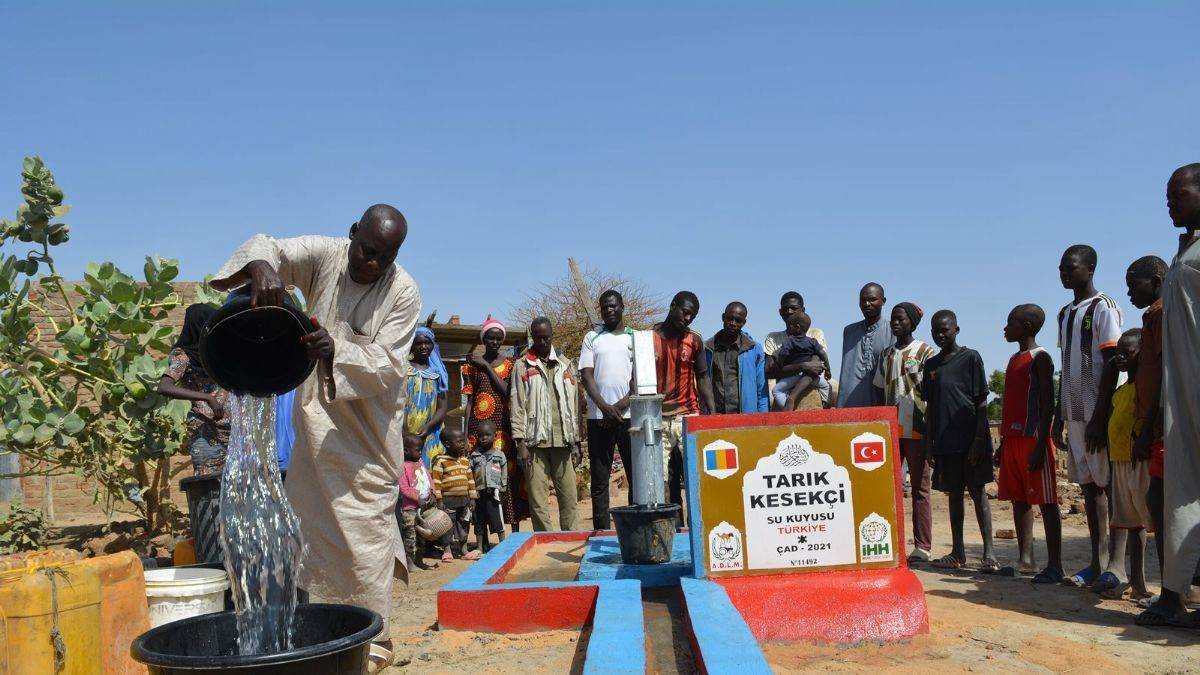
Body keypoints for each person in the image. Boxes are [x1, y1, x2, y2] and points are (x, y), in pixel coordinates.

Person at [210, 204, 420, 673]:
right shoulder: (327, 255)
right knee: (310, 532)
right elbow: (274, 247)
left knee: (364, 533)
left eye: (383, 258)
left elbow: (388, 365)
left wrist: (337, 350)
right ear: (352, 236)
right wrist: (263, 268)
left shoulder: (403, 291)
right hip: (315, 426)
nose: (371, 264)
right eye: (366, 251)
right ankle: (321, 628)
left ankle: (374, 634)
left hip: (368, 431)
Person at [1140, 163, 1200, 628]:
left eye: (1178, 193)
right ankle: (1173, 594)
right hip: (1180, 398)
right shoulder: (1187, 251)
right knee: (1179, 490)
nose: (1169, 202)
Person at [1052, 244, 1122, 588]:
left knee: (1109, 484)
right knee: (1089, 486)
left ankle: (1116, 566)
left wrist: (1100, 415)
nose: (1065, 274)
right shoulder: (1065, 313)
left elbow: (1112, 362)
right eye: (1062, 268)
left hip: (1098, 412)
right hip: (1074, 411)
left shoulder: (1103, 308)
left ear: (1090, 268)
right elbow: (1065, 367)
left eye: (1071, 267)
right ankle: (1095, 562)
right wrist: (1058, 416)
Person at [994, 304, 1063, 583]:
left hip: (1033, 439)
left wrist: (1039, 444)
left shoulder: (1041, 358)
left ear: (1027, 326)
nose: (1005, 328)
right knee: (1019, 499)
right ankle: (1026, 559)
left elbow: (1049, 404)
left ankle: (1056, 565)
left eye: (1010, 322)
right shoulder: (1013, 359)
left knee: (1045, 501)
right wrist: (1002, 444)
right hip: (1012, 440)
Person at [923, 310, 996, 572]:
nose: (940, 335)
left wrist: (978, 439)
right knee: (954, 494)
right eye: (935, 331)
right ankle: (958, 552)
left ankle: (989, 555)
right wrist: (929, 443)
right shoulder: (931, 366)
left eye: (945, 330)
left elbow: (982, 402)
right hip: (945, 441)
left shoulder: (970, 358)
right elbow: (930, 407)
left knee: (978, 492)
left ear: (956, 329)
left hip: (970, 439)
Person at [1090, 329, 1152, 599]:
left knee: (1151, 521)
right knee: (1131, 523)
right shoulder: (1120, 392)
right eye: (1117, 354)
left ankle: (1168, 588)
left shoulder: (1145, 391)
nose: (1121, 358)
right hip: (1119, 464)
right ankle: (1135, 582)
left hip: (1140, 464)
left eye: (1128, 353)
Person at [1124, 256, 1171, 613]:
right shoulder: (1153, 314)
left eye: (1134, 284)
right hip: (1157, 424)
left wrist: (1150, 427)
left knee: (1161, 502)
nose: (1129, 292)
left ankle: (1174, 591)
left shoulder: (1160, 314)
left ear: (1155, 281)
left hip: (1164, 425)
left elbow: (1165, 372)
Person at [873, 302, 936, 562]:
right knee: (891, 488)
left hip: (918, 429)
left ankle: (922, 546)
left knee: (921, 489)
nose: (895, 323)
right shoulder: (887, 354)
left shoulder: (925, 352)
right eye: (893, 319)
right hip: (891, 431)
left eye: (900, 319)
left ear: (912, 322)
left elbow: (932, 392)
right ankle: (894, 543)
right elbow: (880, 390)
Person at [510, 317, 582, 532]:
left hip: (563, 441)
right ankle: (544, 540)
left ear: (552, 336)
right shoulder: (522, 366)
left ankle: (570, 537)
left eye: (546, 337)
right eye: (538, 337)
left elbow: (575, 403)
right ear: (532, 337)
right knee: (538, 501)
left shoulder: (566, 364)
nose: (542, 342)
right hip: (534, 444)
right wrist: (520, 442)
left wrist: (577, 440)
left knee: (569, 498)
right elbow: (517, 404)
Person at [461, 318, 529, 530]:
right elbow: (470, 402)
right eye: (490, 338)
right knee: (481, 478)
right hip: (477, 429)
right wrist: (465, 435)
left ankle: (514, 528)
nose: (494, 342)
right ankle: (484, 534)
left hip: (503, 427)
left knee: (506, 475)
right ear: (484, 339)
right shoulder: (470, 367)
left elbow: (507, 391)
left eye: (499, 339)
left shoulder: (510, 365)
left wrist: (487, 367)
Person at [655, 292, 716, 524]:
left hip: (687, 415)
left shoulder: (695, 340)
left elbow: (702, 376)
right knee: (659, 479)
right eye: (685, 311)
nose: (688, 318)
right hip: (656, 417)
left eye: (693, 315)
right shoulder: (648, 337)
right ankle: (668, 527)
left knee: (694, 475)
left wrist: (710, 413)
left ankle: (697, 527)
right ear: (672, 306)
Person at [579, 290, 634, 529]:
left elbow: (639, 379)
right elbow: (586, 375)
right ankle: (601, 530)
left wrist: (619, 407)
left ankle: (634, 529)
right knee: (600, 481)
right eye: (604, 307)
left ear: (622, 306)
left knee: (636, 477)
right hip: (598, 418)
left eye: (613, 306)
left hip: (630, 417)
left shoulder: (635, 338)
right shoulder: (592, 337)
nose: (609, 310)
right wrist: (604, 407)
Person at [158, 304, 229, 477]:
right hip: (206, 433)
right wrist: (207, 398)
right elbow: (164, 387)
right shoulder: (183, 356)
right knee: (209, 490)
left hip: (231, 435)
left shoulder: (216, 353)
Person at [764, 291, 831, 409]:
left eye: (793, 308)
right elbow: (769, 372)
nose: (789, 311)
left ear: (803, 310)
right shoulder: (773, 338)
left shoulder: (815, 333)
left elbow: (816, 367)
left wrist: (785, 367)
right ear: (780, 312)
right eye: (785, 308)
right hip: (782, 402)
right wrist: (803, 366)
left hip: (811, 401)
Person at [706, 301, 769, 414]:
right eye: (730, 318)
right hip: (715, 416)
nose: (733, 323)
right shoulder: (708, 348)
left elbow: (761, 388)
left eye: (738, 321)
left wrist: (763, 418)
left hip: (745, 418)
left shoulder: (753, 349)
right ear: (723, 317)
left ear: (744, 322)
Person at [838, 283, 893, 408]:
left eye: (872, 299)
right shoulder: (849, 331)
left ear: (883, 301)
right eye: (863, 300)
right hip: (849, 405)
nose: (867, 304)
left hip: (879, 406)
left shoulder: (892, 331)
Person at [432, 428, 480, 562]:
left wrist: (473, 498)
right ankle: (447, 551)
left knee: (464, 524)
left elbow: (471, 480)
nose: (463, 444)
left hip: (464, 500)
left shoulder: (465, 460)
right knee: (447, 525)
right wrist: (439, 500)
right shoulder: (440, 461)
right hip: (448, 500)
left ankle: (464, 550)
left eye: (463, 441)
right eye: (459, 442)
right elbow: (436, 482)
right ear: (447, 444)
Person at [405, 327, 449, 467]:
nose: (423, 346)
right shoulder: (403, 369)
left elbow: (442, 407)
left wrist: (428, 426)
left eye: (427, 342)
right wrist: (404, 430)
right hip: (404, 430)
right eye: (418, 343)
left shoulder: (438, 373)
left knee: (430, 470)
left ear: (432, 345)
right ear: (411, 345)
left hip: (431, 432)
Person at [398, 432, 436, 571]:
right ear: (406, 450)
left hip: (424, 506)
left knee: (422, 536)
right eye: (418, 450)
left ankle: (419, 560)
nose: (421, 452)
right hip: (410, 508)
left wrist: (432, 492)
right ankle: (409, 562)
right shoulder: (402, 467)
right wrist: (417, 498)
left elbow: (428, 478)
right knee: (410, 535)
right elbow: (404, 488)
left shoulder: (420, 463)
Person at [469, 421, 507, 553]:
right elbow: (470, 474)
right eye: (481, 435)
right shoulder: (474, 456)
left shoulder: (499, 455)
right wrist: (472, 493)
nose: (484, 438)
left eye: (487, 435)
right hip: (478, 493)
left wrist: (502, 487)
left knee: (496, 518)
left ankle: (503, 544)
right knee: (479, 520)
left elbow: (504, 471)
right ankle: (479, 547)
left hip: (493, 492)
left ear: (495, 436)